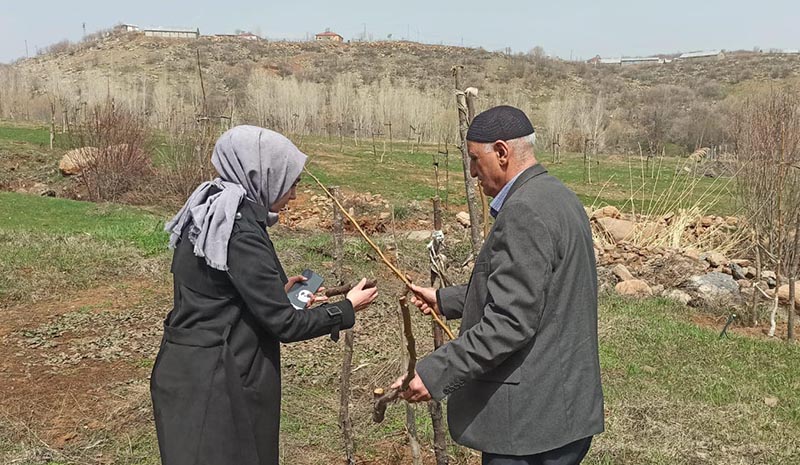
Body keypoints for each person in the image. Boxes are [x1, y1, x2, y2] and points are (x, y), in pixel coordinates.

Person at [151, 125, 378, 465]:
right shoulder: (238, 229)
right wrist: (347, 308)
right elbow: (285, 325)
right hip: (219, 386)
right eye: (292, 181)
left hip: (189, 372)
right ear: (264, 173)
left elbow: (217, 292)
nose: (294, 195)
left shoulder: (210, 212)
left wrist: (276, 293)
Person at [396, 106, 604, 465]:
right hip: (563, 411)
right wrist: (445, 299)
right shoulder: (559, 197)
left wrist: (434, 373)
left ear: (502, 152)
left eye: (476, 159)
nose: (473, 171)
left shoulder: (524, 211)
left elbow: (510, 322)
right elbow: (539, 289)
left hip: (528, 427)